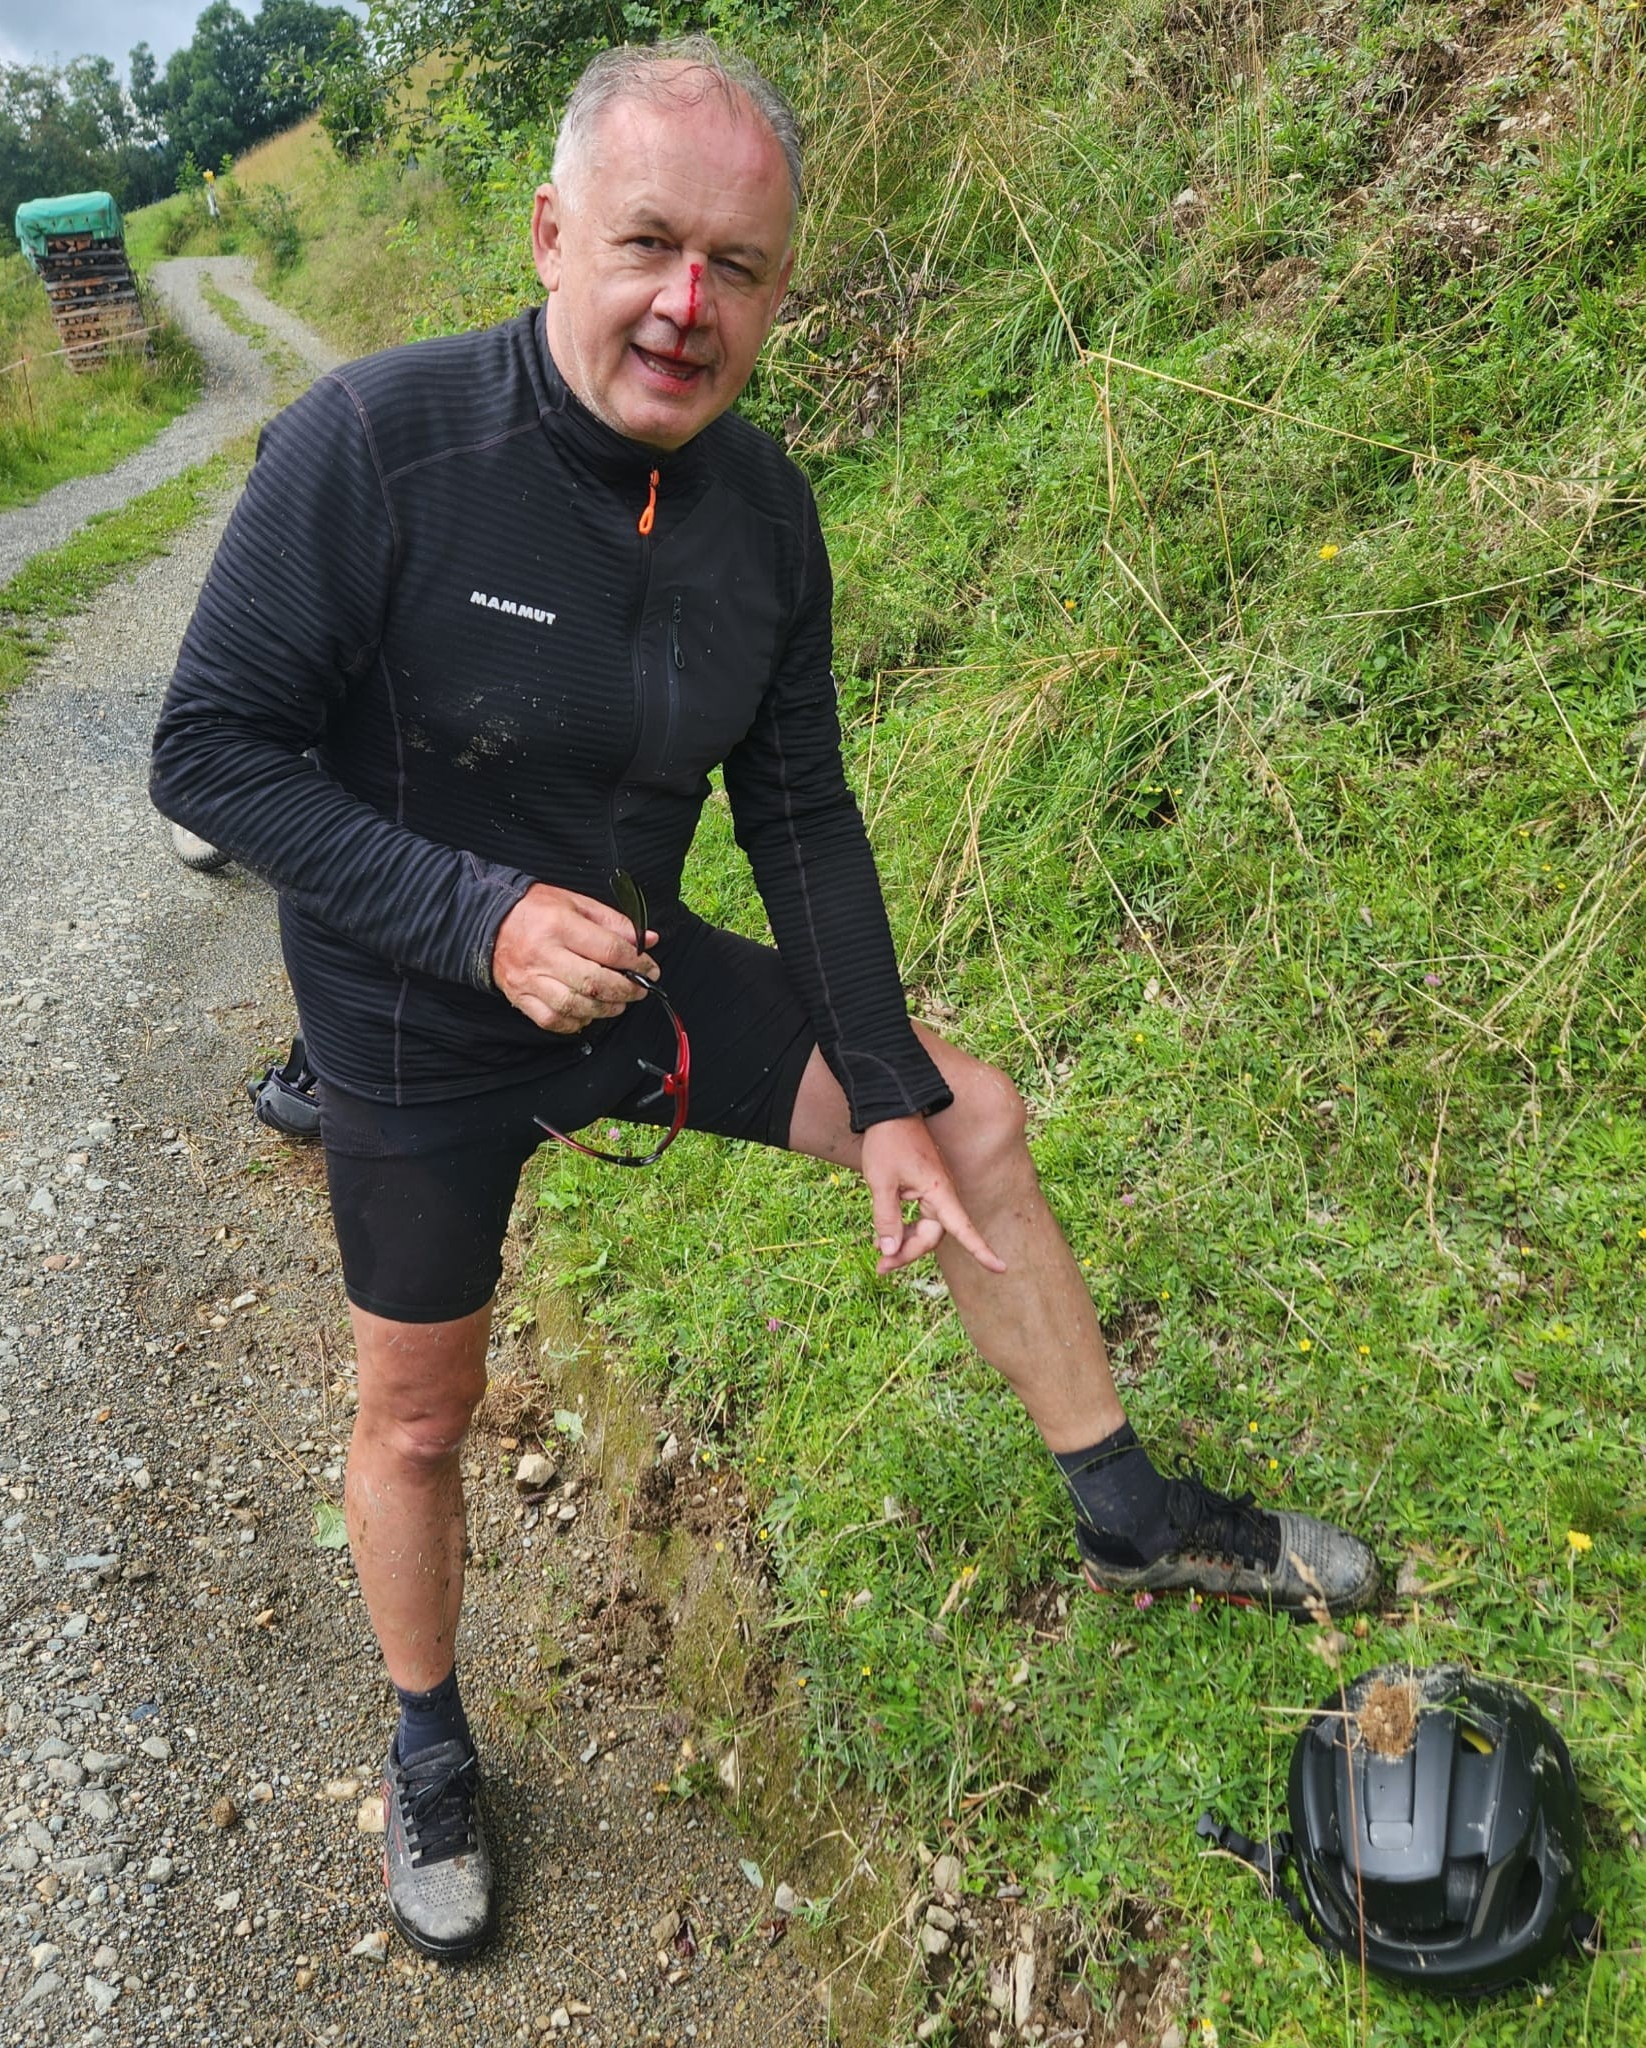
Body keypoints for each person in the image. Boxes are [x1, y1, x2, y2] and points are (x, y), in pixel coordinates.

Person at [150, 37, 1379, 1962]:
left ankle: (1129, 1514)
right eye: (648, 244)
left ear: (781, 290)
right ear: (553, 232)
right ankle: (430, 1737)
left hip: (630, 980)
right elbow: (210, 755)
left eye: (739, 266)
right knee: (417, 1412)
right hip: (411, 1021)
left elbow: (798, 813)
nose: (686, 306)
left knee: (967, 1115)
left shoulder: (760, 511)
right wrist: (473, 918)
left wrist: (878, 1085)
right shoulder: (378, 443)